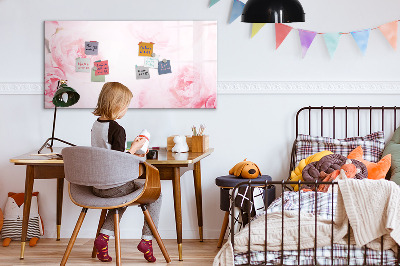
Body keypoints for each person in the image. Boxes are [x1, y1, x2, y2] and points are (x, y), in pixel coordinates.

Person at [91, 82, 161, 263]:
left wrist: (130, 149)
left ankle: (103, 238)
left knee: (121, 197)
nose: (126, 110)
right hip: (114, 186)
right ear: (117, 105)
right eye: (126, 106)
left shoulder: (96, 125)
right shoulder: (117, 129)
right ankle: (147, 240)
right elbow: (119, 160)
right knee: (156, 194)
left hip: (97, 186)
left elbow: (107, 154)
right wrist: (136, 148)